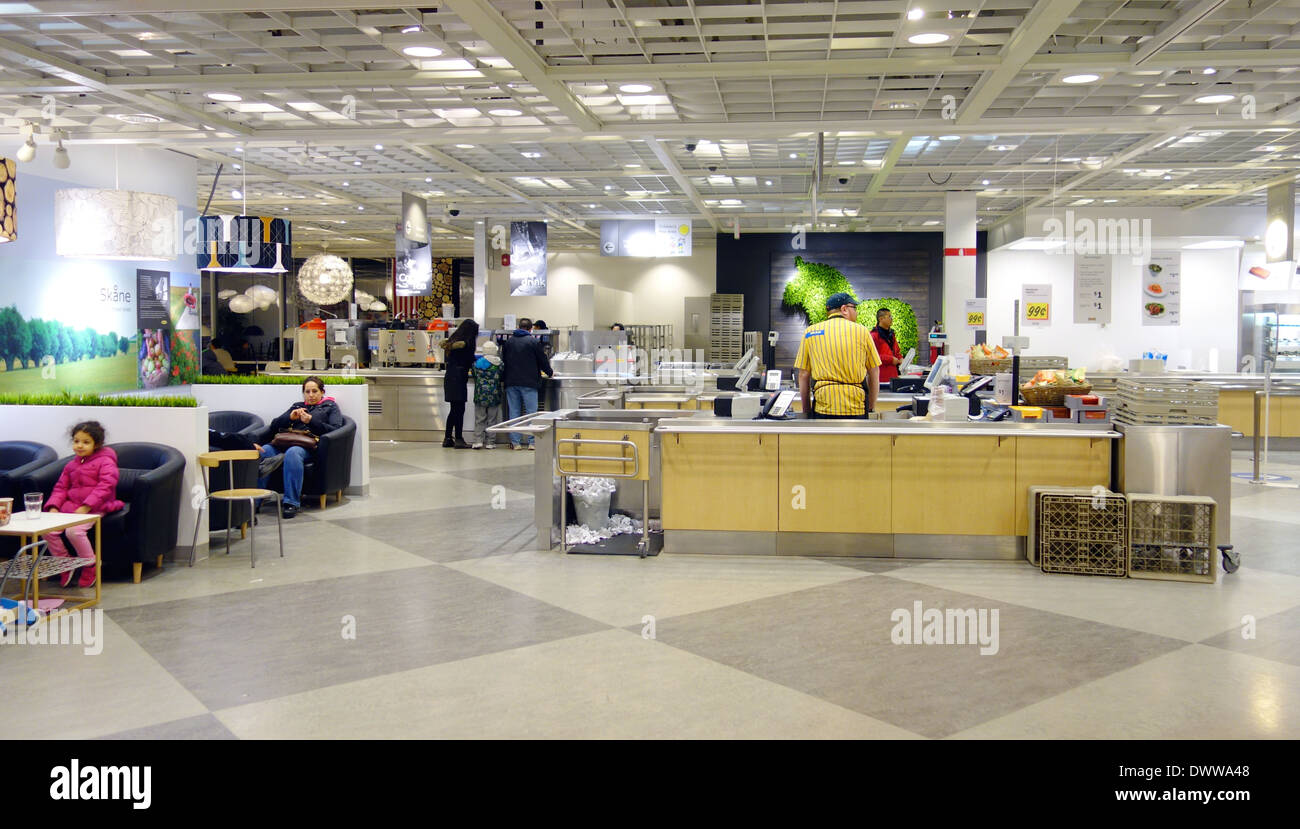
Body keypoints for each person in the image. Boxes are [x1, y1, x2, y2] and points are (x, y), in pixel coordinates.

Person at [43, 421, 124, 588]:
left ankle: (90, 564)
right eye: (76, 441)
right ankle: (64, 563)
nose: (79, 446)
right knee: (48, 530)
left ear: (97, 444)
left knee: (74, 531)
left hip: (96, 507)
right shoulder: (71, 464)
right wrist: (54, 506)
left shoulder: (106, 462)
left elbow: (106, 486)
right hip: (71, 507)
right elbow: (61, 487)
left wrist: (86, 507)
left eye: (86, 442)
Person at [255, 376, 344, 518]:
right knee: (265, 450)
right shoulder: (297, 405)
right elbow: (274, 426)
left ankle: (291, 503)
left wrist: (311, 421)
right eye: (307, 392)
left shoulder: (330, 407)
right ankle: (255, 501)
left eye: (314, 391)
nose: (311, 395)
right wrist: (289, 418)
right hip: (285, 442)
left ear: (322, 392)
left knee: (293, 453)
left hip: (309, 446)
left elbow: (335, 429)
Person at [794, 292, 881, 418]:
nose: (856, 312)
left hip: (823, 407)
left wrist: (807, 410)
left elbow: (803, 374)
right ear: (844, 309)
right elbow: (874, 371)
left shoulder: (810, 332)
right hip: (856, 407)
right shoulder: (862, 331)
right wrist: (871, 407)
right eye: (854, 308)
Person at [502, 317, 553, 450]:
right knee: (531, 413)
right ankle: (532, 442)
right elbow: (543, 361)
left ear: (519, 327)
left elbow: (503, 362)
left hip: (511, 382)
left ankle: (515, 442)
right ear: (530, 329)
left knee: (514, 412)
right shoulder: (533, 342)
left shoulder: (508, 342)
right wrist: (550, 372)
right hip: (529, 383)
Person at [439, 318, 479, 448]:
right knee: (459, 409)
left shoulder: (452, 341)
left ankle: (447, 438)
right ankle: (459, 439)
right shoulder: (467, 343)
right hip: (459, 377)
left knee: (454, 409)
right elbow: (470, 359)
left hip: (450, 376)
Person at [470, 339, 505, 449]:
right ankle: (490, 442)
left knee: (480, 419)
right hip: (494, 394)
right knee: (492, 420)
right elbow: (502, 377)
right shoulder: (499, 364)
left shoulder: (476, 364)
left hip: (480, 394)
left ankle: (478, 441)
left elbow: (475, 376)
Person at [870, 308, 905, 385]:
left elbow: (897, 352)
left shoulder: (891, 335)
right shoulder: (874, 336)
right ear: (881, 319)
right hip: (881, 378)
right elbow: (873, 356)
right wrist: (890, 359)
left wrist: (901, 359)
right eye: (889, 316)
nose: (891, 319)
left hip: (893, 376)